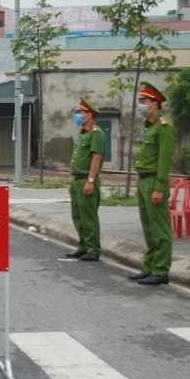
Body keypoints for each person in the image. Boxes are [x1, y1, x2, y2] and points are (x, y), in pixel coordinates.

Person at [128, 81, 176, 286]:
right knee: (148, 228)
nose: (140, 104)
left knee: (159, 229)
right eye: (140, 100)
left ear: (155, 103)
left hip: (155, 182)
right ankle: (150, 266)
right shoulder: (148, 127)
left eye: (143, 101)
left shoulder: (164, 127)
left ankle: (161, 270)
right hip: (144, 181)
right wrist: (139, 186)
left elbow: (164, 162)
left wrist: (159, 188)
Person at [64, 97, 106, 261]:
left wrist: (90, 180)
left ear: (89, 115)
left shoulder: (96, 133)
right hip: (78, 179)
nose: (78, 115)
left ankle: (93, 248)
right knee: (78, 215)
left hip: (87, 180)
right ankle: (83, 245)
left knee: (88, 216)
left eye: (80, 112)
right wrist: (73, 181)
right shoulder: (83, 134)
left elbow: (96, 158)